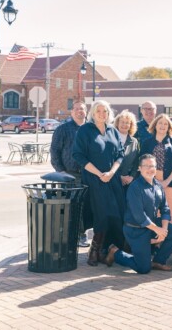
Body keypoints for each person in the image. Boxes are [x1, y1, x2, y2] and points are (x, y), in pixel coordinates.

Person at [104, 154, 172, 273]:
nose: (149, 169)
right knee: (143, 268)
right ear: (139, 168)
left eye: (152, 166)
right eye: (146, 166)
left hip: (151, 225)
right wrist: (158, 230)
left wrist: (164, 230)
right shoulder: (135, 187)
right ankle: (115, 253)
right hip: (136, 229)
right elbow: (140, 216)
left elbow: (165, 208)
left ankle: (158, 261)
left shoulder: (158, 186)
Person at [73, 100, 125, 266]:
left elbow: (120, 155)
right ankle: (94, 251)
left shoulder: (113, 131)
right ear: (93, 113)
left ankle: (107, 249)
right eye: (99, 111)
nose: (102, 114)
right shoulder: (85, 130)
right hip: (94, 179)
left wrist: (111, 172)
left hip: (112, 179)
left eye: (105, 111)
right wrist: (100, 174)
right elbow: (78, 155)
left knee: (116, 215)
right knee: (101, 214)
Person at [51, 101, 92, 247]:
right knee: (74, 205)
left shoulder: (91, 128)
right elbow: (55, 151)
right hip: (70, 174)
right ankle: (79, 235)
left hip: (89, 174)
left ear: (86, 112)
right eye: (76, 109)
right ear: (72, 112)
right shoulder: (63, 129)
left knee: (87, 205)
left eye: (82, 109)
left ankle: (82, 232)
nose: (79, 111)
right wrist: (60, 171)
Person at [140, 114, 172, 227]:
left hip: (171, 182)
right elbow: (141, 163)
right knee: (154, 212)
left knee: (171, 213)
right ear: (155, 125)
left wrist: (167, 181)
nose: (162, 126)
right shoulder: (146, 142)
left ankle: (170, 241)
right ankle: (156, 241)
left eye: (165, 124)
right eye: (160, 123)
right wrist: (153, 180)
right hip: (151, 182)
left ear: (169, 127)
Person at [113, 110, 140, 191]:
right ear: (117, 123)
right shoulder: (110, 138)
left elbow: (136, 162)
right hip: (112, 180)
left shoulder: (134, 141)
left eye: (127, 122)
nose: (124, 124)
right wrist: (119, 177)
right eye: (122, 122)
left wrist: (131, 177)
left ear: (131, 125)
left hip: (128, 182)